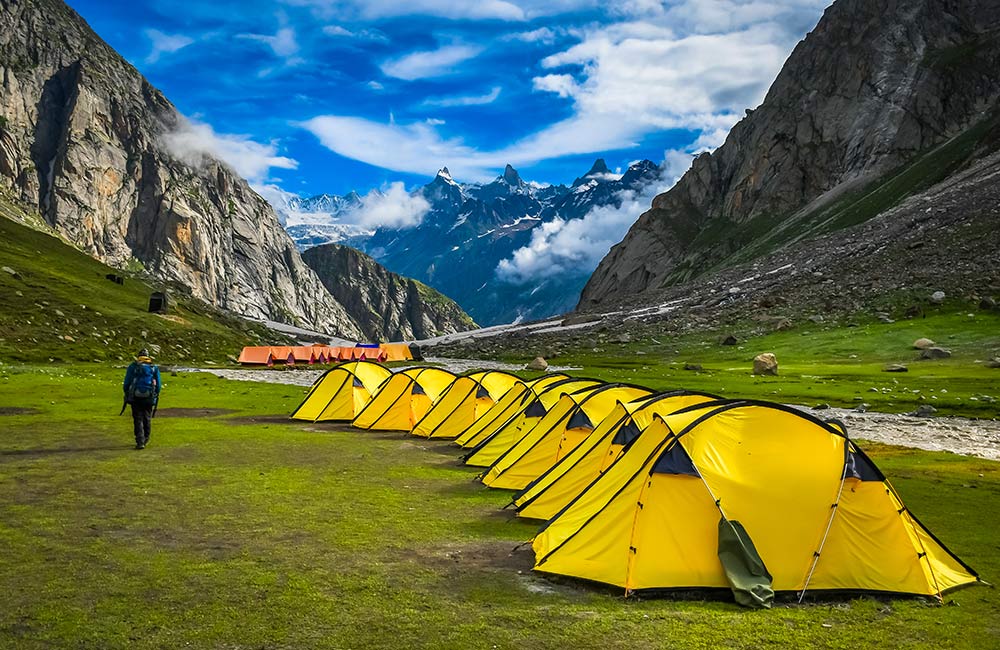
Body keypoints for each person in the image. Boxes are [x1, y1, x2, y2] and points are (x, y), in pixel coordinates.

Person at [123, 348, 161, 450]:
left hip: (135, 396)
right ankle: (146, 438)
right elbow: (158, 385)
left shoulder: (133, 366)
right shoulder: (153, 367)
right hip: (149, 396)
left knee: (137, 418)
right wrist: (156, 394)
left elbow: (127, 382)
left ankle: (140, 441)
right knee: (147, 417)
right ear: (148, 356)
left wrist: (126, 392)